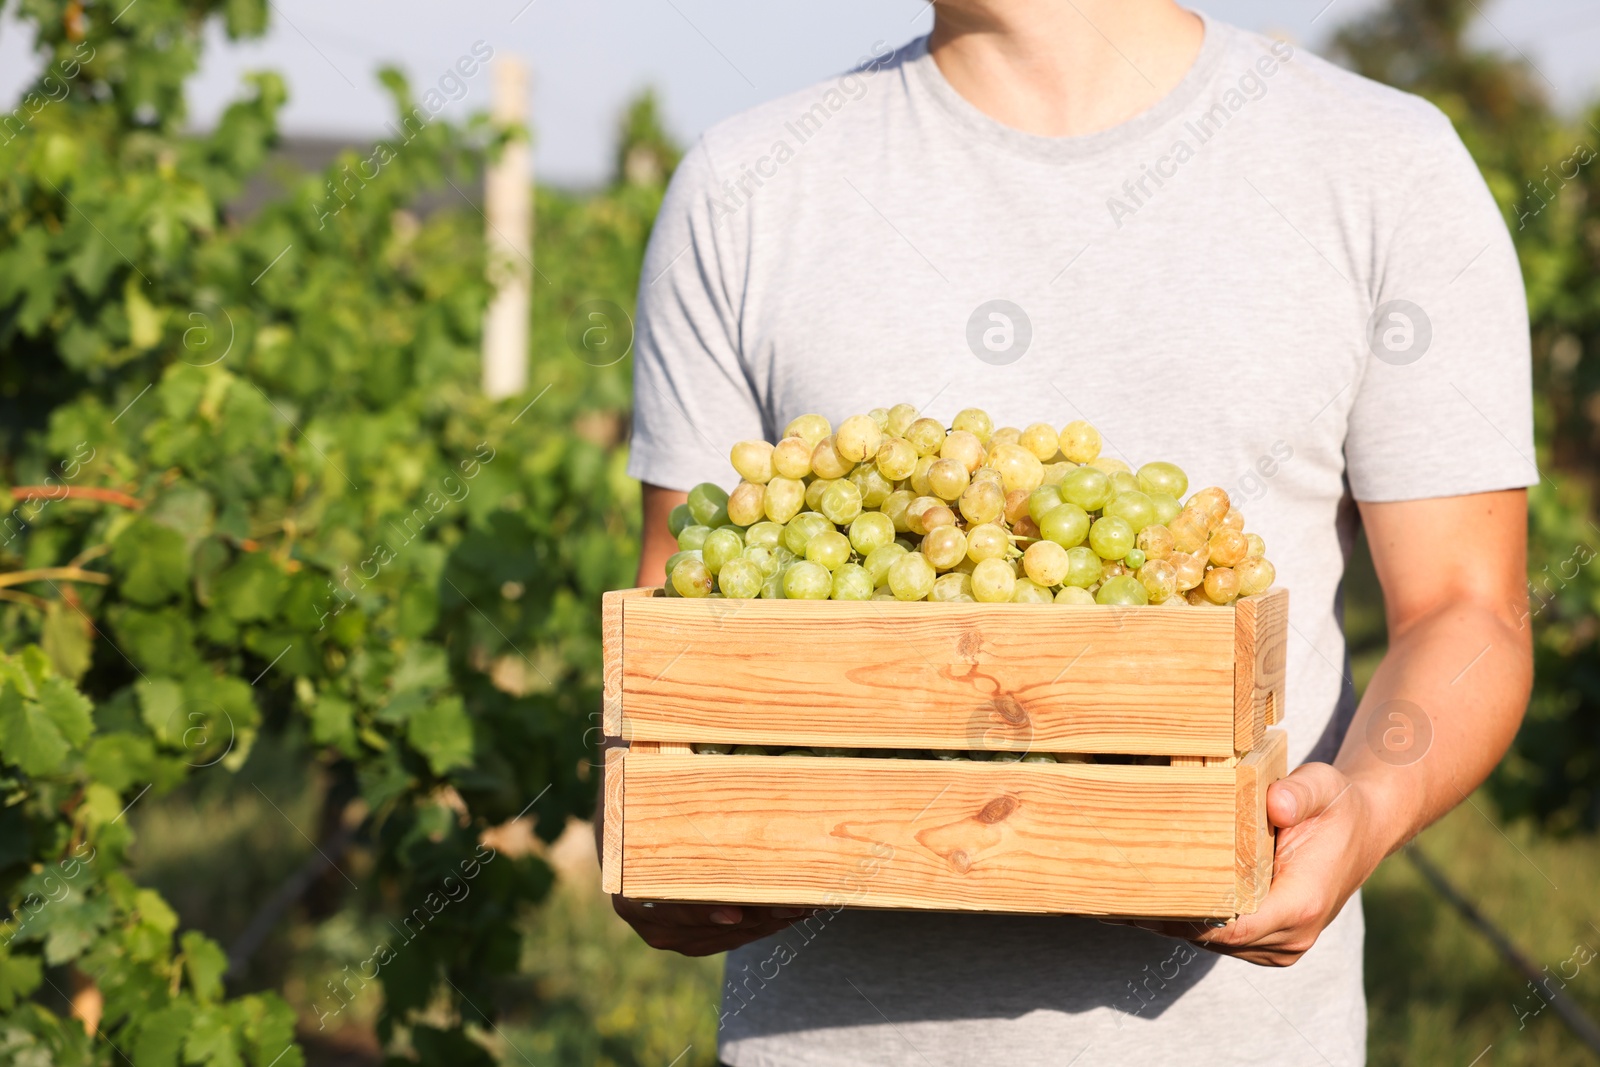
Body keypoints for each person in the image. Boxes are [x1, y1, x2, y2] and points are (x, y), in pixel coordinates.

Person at [611, 1, 1535, 1063]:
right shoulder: (743, 187)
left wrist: (1367, 808)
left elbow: (1466, 608)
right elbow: (676, 631)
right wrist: (649, 836)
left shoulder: (1383, 165)